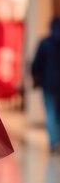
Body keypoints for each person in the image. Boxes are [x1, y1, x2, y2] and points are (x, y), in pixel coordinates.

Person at [31, 16, 60, 154]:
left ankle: (54, 142)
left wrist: (36, 76)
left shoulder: (45, 43)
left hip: (49, 83)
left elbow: (35, 64)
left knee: (51, 112)